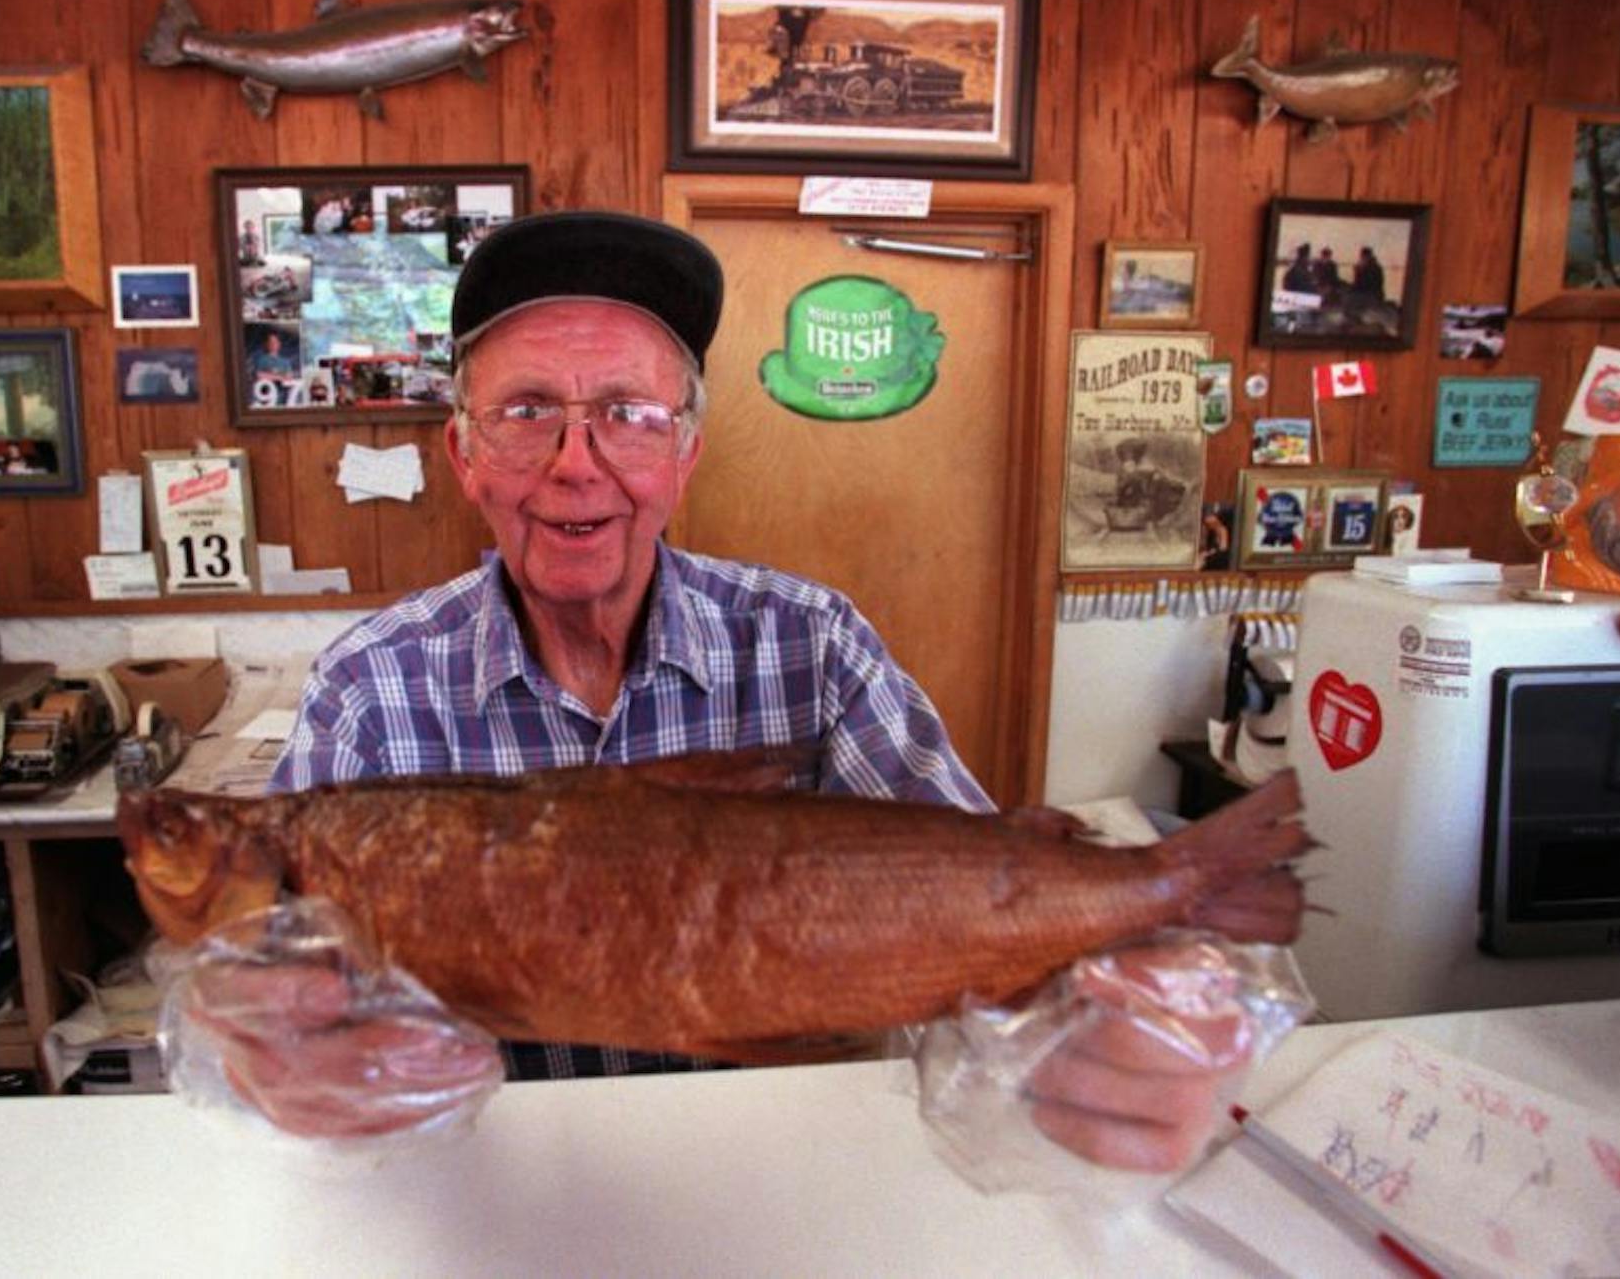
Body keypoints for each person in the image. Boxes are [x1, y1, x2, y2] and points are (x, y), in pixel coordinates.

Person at [254, 211, 1250, 1167]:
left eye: (628, 416)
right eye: (527, 414)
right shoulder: (371, 687)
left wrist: (1091, 1023)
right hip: (492, 1168)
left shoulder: (811, 646)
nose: (576, 465)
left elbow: (980, 896)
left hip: (792, 1163)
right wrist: (288, 1043)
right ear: (464, 454)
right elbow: (284, 974)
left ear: (686, 451)